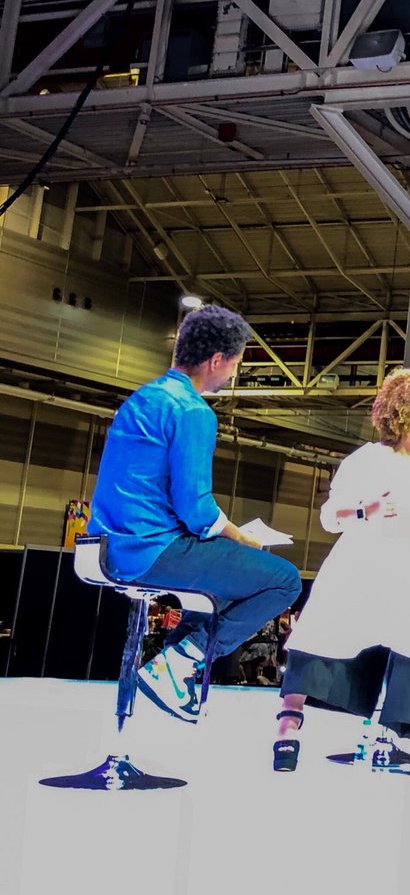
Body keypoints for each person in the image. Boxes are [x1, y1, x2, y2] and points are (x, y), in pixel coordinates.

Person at [87, 305, 301, 723]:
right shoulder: (192, 410)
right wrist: (240, 536)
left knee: (226, 581)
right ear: (216, 360)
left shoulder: (143, 397)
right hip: (150, 549)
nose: (234, 374)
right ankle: (180, 663)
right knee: (283, 580)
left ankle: (174, 664)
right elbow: (196, 509)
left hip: (105, 544)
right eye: (236, 364)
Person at [272, 366, 410, 777]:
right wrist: (367, 509)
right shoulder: (367, 459)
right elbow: (331, 517)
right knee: (324, 633)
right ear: (407, 409)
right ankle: (288, 724)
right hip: (367, 562)